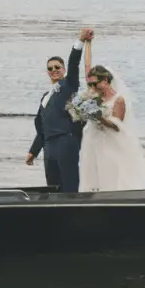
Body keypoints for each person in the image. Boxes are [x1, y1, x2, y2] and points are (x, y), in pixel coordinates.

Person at [78, 39, 145, 192]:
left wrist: (99, 117)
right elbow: (87, 68)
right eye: (91, 84)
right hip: (92, 140)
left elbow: (117, 126)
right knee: (91, 173)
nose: (92, 87)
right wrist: (88, 44)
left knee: (109, 172)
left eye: (95, 83)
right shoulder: (93, 95)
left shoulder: (118, 100)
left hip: (109, 142)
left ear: (106, 81)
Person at [26, 27, 92, 193]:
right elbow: (41, 128)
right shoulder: (45, 97)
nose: (54, 70)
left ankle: (74, 210)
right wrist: (33, 152)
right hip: (49, 146)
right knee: (52, 187)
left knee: (69, 184)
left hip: (66, 141)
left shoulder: (68, 86)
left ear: (63, 69)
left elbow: (74, 63)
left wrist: (80, 41)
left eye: (57, 67)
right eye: (50, 68)